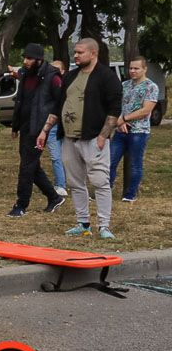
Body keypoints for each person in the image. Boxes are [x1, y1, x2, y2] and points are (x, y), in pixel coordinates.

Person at [37, 38, 122, 239]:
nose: (75, 56)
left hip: (94, 138)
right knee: (75, 182)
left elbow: (114, 109)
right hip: (69, 138)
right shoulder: (71, 76)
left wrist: (103, 136)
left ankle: (104, 226)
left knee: (100, 181)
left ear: (93, 53)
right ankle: (83, 223)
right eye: (75, 52)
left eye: (80, 52)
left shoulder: (106, 77)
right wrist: (45, 130)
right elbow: (58, 106)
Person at [7, 43, 65, 217]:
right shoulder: (25, 74)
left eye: (29, 58)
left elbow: (59, 103)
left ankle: (21, 205)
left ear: (39, 60)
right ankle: (53, 197)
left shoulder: (52, 77)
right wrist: (15, 126)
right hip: (25, 126)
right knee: (32, 165)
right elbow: (21, 101)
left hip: (40, 128)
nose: (25, 61)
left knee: (26, 167)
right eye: (24, 58)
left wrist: (46, 129)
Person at [109, 57, 159, 202]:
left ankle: (130, 195)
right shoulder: (124, 85)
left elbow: (146, 110)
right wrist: (120, 122)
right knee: (110, 161)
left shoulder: (151, 87)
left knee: (135, 164)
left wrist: (124, 118)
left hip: (139, 131)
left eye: (136, 68)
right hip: (121, 131)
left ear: (144, 69)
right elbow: (117, 106)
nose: (132, 71)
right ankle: (105, 190)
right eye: (130, 68)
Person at [47, 59, 68, 196]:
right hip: (52, 126)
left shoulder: (67, 86)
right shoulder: (45, 86)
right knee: (56, 156)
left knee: (68, 156)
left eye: (56, 69)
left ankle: (65, 183)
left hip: (66, 125)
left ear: (63, 71)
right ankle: (61, 184)